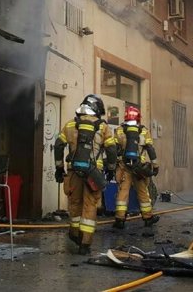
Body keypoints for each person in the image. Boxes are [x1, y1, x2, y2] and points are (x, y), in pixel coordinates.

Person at [54, 94, 117, 255]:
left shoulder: (70, 125)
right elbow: (111, 149)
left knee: (74, 203)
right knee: (90, 206)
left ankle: (74, 234)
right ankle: (85, 244)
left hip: (73, 171)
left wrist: (59, 167)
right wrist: (111, 168)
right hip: (93, 173)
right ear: (96, 108)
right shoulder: (102, 127)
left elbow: (59, 145)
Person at [112, 105, 160, 229]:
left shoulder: (119, 130)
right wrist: (155, 165)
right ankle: (148, 217)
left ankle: (120, 219)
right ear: (138, 118)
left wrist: (112, 165)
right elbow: (150, 149)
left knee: (123, 192)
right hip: (139, 168)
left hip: (124, 166)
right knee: (143, 191)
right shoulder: (144, 131)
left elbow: (114, 149)